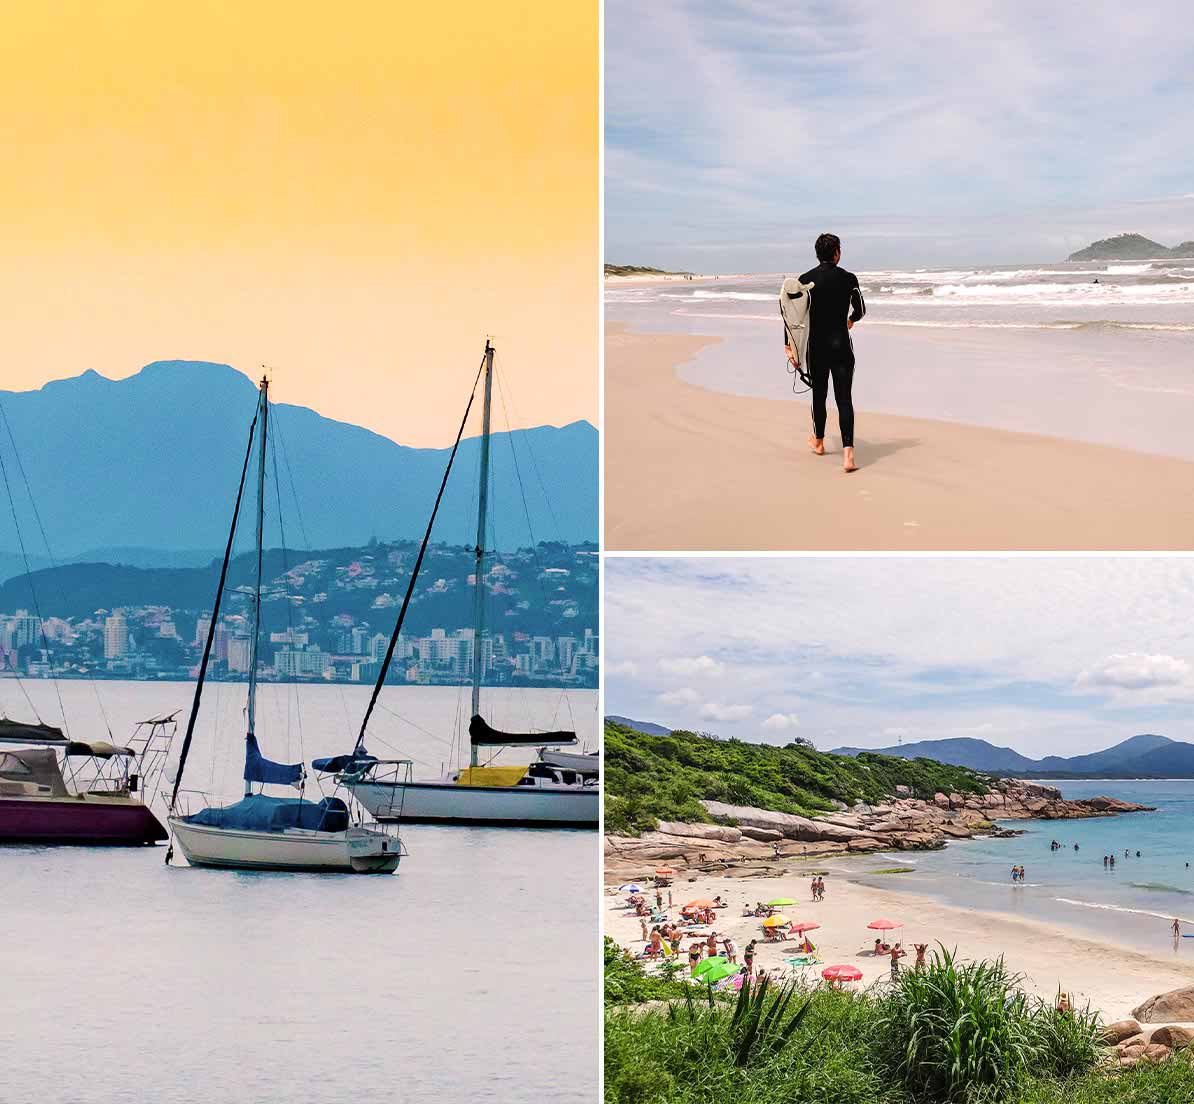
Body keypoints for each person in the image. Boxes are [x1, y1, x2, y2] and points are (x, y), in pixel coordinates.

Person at [789, 233, 866, 473]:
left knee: (819, 396)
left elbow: (792, 316)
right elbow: (861, 309)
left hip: (817, 348)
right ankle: (848, 456)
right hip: (842, 347)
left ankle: (819, 442)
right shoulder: (849, 278)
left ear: (817, 253)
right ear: (837, 252)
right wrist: (851, 320)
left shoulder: (805, 280)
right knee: (844, 399)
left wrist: (789, 346)